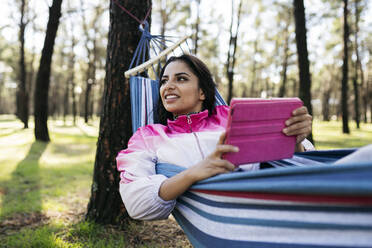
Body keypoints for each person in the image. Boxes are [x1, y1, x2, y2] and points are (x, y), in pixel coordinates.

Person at [116, 54, 314, 220]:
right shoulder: (149, 136)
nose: (168, 86)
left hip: (269, 211)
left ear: (202, 91)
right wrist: (194, 173)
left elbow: (303, 171)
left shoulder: (232, 118)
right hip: (215, 225)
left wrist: (294, 141)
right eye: (164, 81)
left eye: (181, 78)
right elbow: (136, 204)